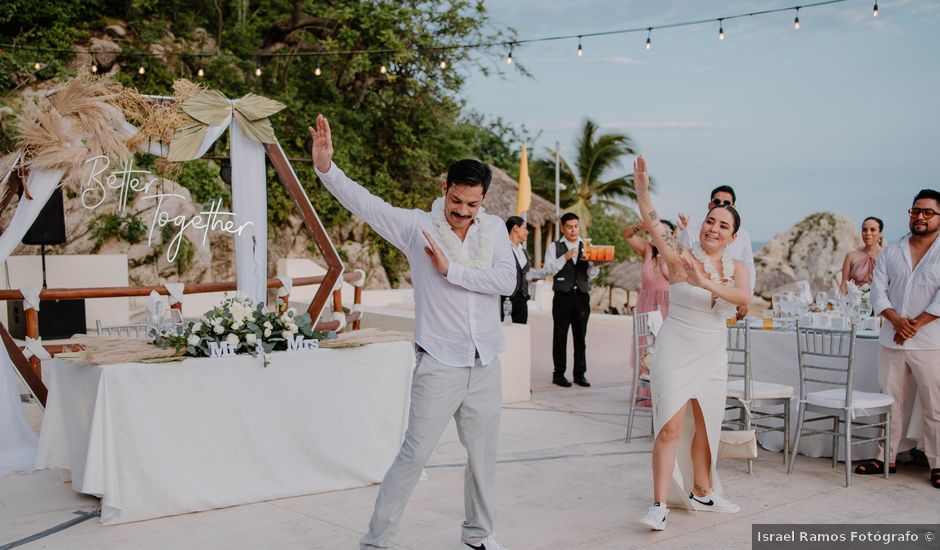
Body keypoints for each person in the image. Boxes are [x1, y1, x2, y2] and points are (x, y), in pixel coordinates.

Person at [309, 115, 516, 550]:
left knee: (482, 459)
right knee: (414, 454)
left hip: (484, 363)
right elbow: (365, 204)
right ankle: (376, 541)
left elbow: (506, 283)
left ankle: (479, 535)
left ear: (484, 200)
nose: (462, 212)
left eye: (471, 205)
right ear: (444, 189)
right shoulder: (416, 226)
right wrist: (327, 168)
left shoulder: (495, 230)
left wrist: (452, 270)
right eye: (457, 201)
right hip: (439, 361)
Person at [632, 156, 750, 531]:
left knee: (707, 427)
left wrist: (707, 283)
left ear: (733, 237)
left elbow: (743, 298)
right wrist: (642, 191)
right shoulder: (680, 256)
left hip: (713, 353)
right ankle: (659, 503)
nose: (714, 228)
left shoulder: (738, 268)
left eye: (723, 225)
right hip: (675, 349)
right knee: (670, 427)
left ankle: (703, 491)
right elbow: (652, 221)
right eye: (710, 221)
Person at [860, 189, 940, 490]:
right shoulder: (893, 250)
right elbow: (878, 290)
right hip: (892, 339)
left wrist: (915, 324)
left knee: (934, 406)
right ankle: (886, 458)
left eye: (928, 212)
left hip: (931, 341)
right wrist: (896, 320)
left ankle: (937, 463)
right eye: (915, 211)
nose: (920, 217)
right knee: (890, 401)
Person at [679, 185, 755, 318]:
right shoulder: (691, 231)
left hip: (731, 300)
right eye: (716, 201)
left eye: (726, 203)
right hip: (695, 302)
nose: (720, 204)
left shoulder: (743, 235)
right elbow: (681, 263)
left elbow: (749, 266)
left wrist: (743, 300)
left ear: (733, 206)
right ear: (709, 204)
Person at [543, 212, 599, 388]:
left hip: (582, 296)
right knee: (560, 336)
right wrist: (565, 257)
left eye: (576, 226)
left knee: (580, 338)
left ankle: (579, 374)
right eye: (569, 227)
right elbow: (548, 271)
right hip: (562, 296)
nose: (573, 230)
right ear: (562, 228)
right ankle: (558, 374)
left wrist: (595, 266)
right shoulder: (555, 247)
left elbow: (590, 275)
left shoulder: (587, 246)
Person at [839, 216, 884, 293]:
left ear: (880, 234)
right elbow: (844, 284)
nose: (868, 233)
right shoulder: (851, 256)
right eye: (864, 230)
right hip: (855, 302)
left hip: (880, 303)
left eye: (872, 229)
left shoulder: (887, 255)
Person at [500, 216, 530, 324]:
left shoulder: (524, 251)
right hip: (505, 298)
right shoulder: (501, 248)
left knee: (521, 333)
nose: (527, 232)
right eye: (525, 228)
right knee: (503, 332)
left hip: (522, 298)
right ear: (516, 228)